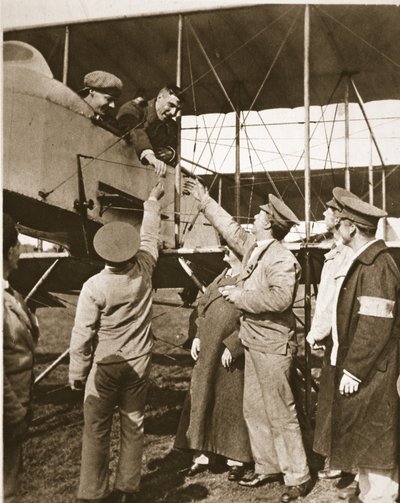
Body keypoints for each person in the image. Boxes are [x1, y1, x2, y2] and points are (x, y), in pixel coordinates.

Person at [183, 178, 312, 502]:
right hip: (255, 342)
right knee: (255, 410)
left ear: (269, 223)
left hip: (272, 345)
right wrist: (203, 199)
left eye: (258, 215)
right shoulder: (256, 249)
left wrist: (241, 296)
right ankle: (268, 466)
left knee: (281, 413)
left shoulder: (281, 258)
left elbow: (281, 299)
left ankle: (298, 476)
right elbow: (230, 229)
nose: (252, 218)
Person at [69, 181, 164, 503]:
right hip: (138, 362)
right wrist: (152, 200)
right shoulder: (144, 270)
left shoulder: (93, 286)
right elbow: (150, 237)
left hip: (105, 366)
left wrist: (77, 373)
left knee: (96, 428)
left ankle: (92, 493)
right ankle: (127, 489)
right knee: (133, 425)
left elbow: (82, 336)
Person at [313, 195, 400, 503]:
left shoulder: (376, 265)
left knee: (378, 456)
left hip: (373, 375)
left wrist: (353, 369)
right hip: (368, 374)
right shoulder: (366, 262)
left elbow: (373, 327)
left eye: (338, 225)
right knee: (366, 448)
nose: (334, 229)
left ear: (351, 228)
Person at [174, 247, 252, 481]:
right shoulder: (221, 276)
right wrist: (197, 335)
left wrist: (234, 345)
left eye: (229, 251)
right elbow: (202, 307)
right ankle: (203, 453)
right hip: (208, 350)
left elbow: (251, 317)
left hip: (227, 353)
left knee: (230, 403)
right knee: (202, 398)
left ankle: (235, 458)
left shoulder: (247, 280)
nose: (224, 256)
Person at [306, 188, 355, 481]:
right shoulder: (334, 253)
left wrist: (316, 332)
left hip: (338, 336)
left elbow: (336, 301)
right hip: (330, 337)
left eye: (328, 210)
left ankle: (342, 460)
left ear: (339, 218)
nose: (323, 214)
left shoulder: (346, 255)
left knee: (340, 399)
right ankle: (335, 456)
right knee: (330, 397)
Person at [3, 213, 40, 503]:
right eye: (16, 243)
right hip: (8, 412)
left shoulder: (12, 294)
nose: (20, 250)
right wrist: (15, 414)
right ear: (9, 250)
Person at [117, 84, 185, 177]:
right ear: (160, 97)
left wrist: (171, 153)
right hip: (121, 164)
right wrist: (150, 156)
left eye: (177, 109)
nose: (173, 113)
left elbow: (175, 151)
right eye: (171, 105)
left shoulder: (172, 126)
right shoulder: (134, 108)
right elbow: (135, 130)